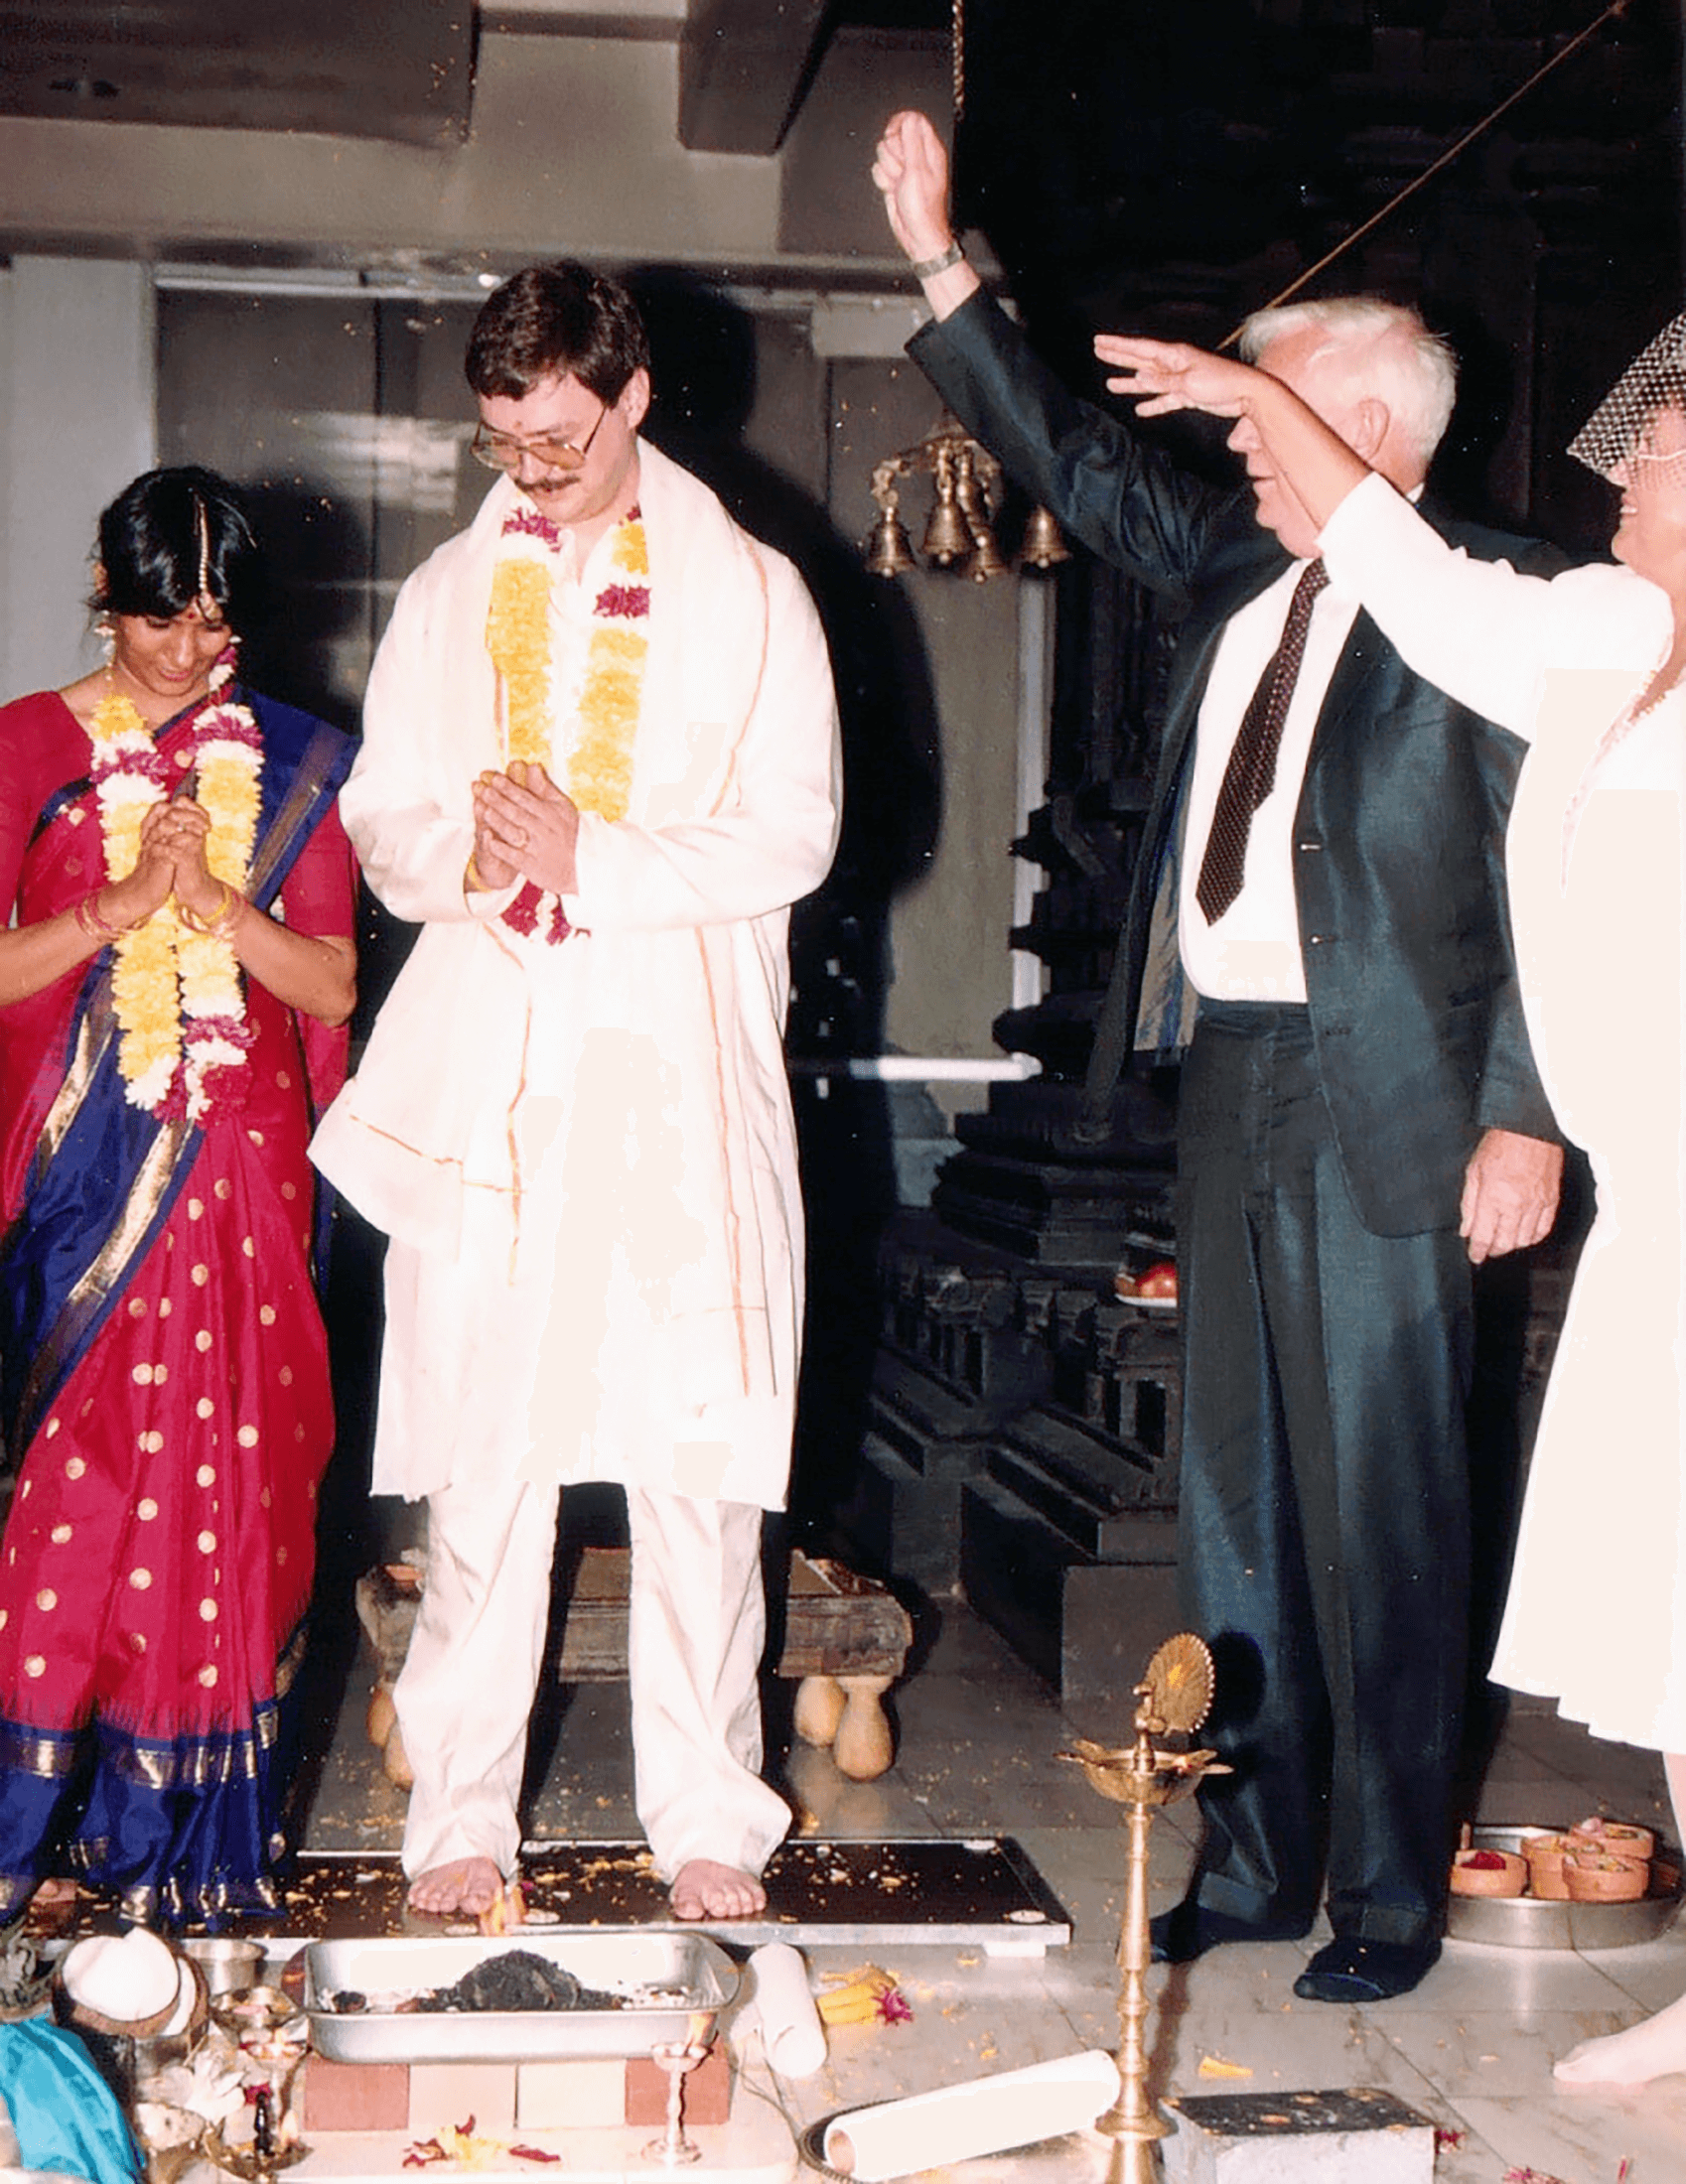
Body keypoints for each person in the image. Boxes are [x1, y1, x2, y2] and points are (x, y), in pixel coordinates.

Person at [873, 109, 1564, 2002]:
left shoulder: (1500, 607)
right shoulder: (1232, 574)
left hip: (1406, 1104)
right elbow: (1081, 466)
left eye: (1266, 424)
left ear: (1375, 440)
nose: (1233, 453)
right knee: (1239, 1494)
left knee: (1390, 1509)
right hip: (1233, 1076)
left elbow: (1558, 891)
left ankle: (1390, 1895)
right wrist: (949, 269)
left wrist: (1522, 1113)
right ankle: (1253, 1861)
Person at [1100, 314, 1686, 2083]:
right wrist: (1262, 404)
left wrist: (1520, 1120)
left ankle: (1385, 1887)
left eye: (1662, 451)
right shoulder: (1602, 629)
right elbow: (1416, 587)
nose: (1628, 464)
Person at [310, 262, 841, 1924]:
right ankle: (459, 1823)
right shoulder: (447, 598)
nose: (526, 476)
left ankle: (707, 1823)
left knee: (694, 1477)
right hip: (502, 1078)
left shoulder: (752, 592)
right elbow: (385, 823)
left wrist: (593, 859)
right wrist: (472, 852)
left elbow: (795, 833)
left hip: (673, 1076)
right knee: (487, 1470)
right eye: (501, 446)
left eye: (555, 441)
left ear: (630, 398)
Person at [0, 466, 357, 1926]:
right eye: (164, 616)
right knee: (61, 1505)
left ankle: (177, 1871)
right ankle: (19, 1842)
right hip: (73, 1183)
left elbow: (331, 983)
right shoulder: (26, 746)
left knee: (225, 1492)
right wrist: (113, 916)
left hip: (238, 1173)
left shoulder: (290, 762)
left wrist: (220, 909)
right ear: (107, 590)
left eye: (217, 619)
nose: (194, 650)